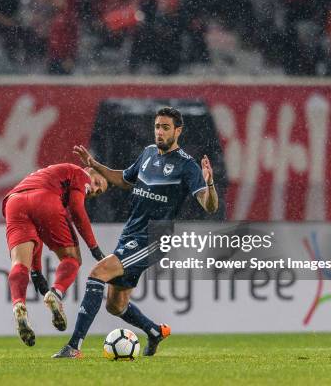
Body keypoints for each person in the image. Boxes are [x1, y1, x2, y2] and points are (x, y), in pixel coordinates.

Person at [53, 107, 218, 358]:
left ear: (178, 131)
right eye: (157, 127)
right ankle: (154, 331)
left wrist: (210, 183)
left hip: (153, 238)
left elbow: (209, 205)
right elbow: (123, 179)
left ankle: (74, 347)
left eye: (165, 128)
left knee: (97, 274)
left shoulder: (187, 166)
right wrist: (95, 165)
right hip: (131, 233)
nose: (159, 132)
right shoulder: (148, 153)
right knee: (115, 305)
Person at [3, 163, 108, 346]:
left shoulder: (47, 175)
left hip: (14, 201)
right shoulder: (80, 173)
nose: (95, 189)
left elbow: (38, 230)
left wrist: (36, 271)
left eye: (99, 191)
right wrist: (94, 247)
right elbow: (76, 210)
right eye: (98, 182)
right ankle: (56, 294)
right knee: (72, 259)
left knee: (19, 263)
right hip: (44, 198)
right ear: (90, 170)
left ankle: (18, 304)